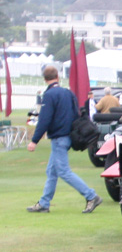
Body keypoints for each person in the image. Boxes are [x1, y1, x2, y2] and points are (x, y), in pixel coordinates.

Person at [26, 65, 102, 214]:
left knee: (63, 171)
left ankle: (91, 195)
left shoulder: (49, 95)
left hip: (58, 137)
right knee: (52, 171)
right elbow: (76, 114)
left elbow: (44, 119)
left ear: (45, 79)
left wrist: (34, 140)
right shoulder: (68, 93)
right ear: (58, 77)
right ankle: (44, 202)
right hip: (69, 135)